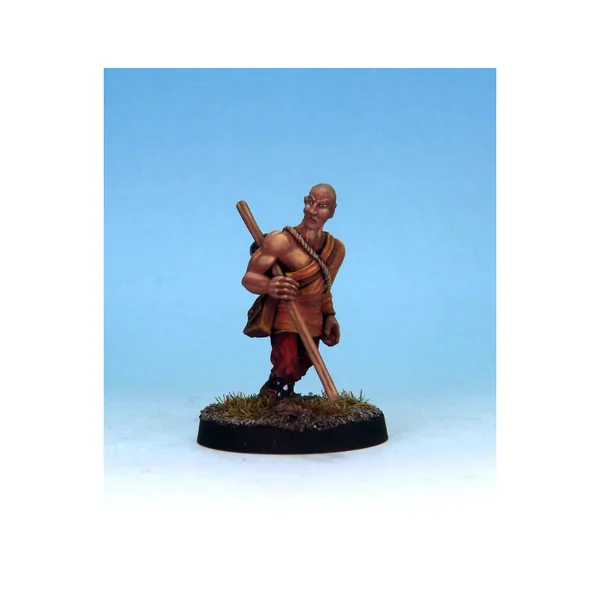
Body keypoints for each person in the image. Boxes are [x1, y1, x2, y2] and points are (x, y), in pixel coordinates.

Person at [241, 183, 345, 415]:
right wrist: (269, 286)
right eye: (310, 202)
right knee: (286, 356)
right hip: (287, 311)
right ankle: (282, 399)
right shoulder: (281, 241)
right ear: (304, 202)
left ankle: (271, 388)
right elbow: (249, 278)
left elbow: (324, 288)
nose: (313, 210)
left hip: (313, 315)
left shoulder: (336, 250)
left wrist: (329, 316)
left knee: (305, 360)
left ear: (332, 211)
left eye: (322, 206)